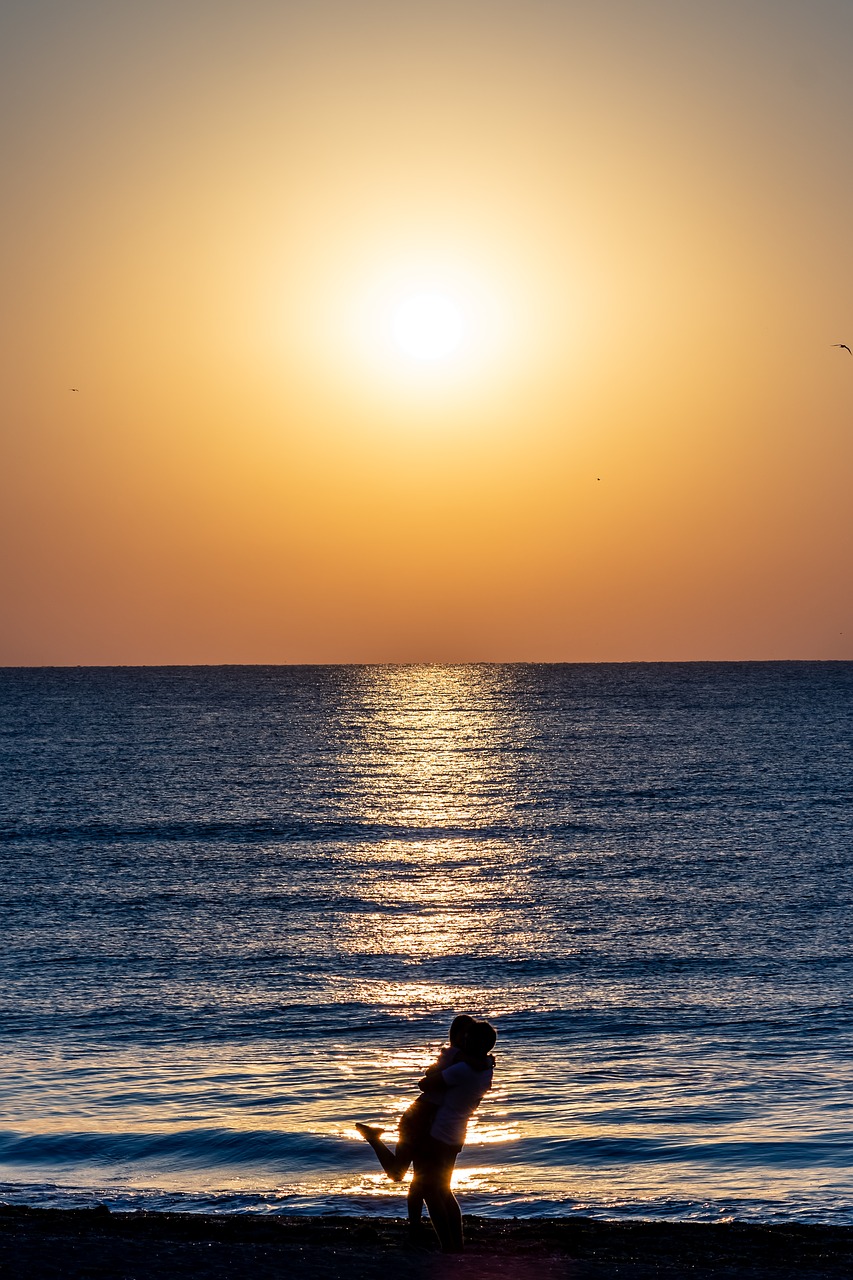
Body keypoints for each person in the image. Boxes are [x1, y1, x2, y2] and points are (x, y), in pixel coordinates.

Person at [358, 1017, 497, 1252]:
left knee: (426, 1186)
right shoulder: (470, 1063)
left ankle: (446, 1245)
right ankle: (445, 1244)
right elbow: (431, 1081)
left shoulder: (468, 1064)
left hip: (433, 1126)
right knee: (415, 1180)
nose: (465, 1039)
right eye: (464, 1034)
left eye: (469, 1036)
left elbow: (427, 1083)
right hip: (424, 1120)